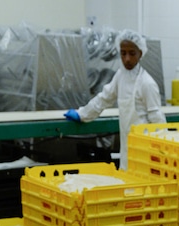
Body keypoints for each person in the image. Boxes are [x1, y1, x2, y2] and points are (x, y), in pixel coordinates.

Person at [64, 30, 165, 170]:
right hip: (127, 147)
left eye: (132, 53)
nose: (127, 59)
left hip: (145, 151)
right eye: (123, 53)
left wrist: (161, 154)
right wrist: (82, 114)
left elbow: (157, 120)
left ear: (140, 54)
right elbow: (104, 98)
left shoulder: (147, 84)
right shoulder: (120, 76)